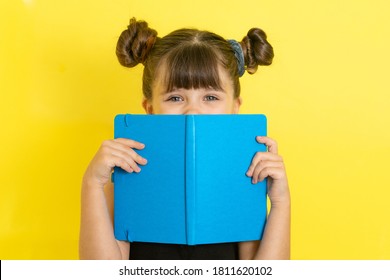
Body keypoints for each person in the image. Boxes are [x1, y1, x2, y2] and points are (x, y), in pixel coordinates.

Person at [79, 18, 290, 260]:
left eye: (210, 97)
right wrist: (92, 184)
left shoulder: (247, 173)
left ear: (235, 108)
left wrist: (281, 201)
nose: (193, 111)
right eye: (175, 98)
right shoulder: (124, 175)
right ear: (150, 109)